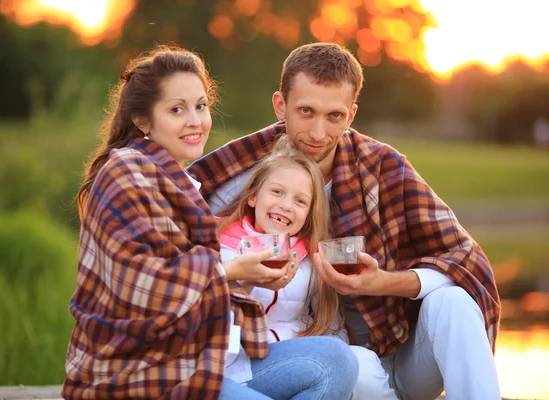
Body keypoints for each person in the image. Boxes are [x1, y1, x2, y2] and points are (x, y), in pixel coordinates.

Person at [189, 42, 502, 400]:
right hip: (330, 362)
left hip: (403, 355)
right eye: (305, 111)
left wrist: (383, 282)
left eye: (334, 116)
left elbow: (465, 259)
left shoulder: (384, 169)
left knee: (454, 300)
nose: (318, 133)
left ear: (351, 115)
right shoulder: (242, 173)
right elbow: (177, 244)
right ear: (281, 106)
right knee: (347, 365)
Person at [63, 45, 358, 400]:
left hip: (196, 359)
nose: (196, 121)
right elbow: (145, 287)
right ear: (142, 120)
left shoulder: (178, 181)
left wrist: (246, 282)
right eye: (177, 109)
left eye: (200, 106)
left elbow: (197, 288)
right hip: (140, 372)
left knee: (336, 360)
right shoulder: (126, 172)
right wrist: (232, 271)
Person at [217, 140, 351, 380]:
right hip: (232, 364)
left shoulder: (311, 259)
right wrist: (244, 282)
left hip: (293, 360)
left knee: (346, 362)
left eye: (300, 201)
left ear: (309, 214)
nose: (286, 205)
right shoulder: (220, 246)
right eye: (277, 192)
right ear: (253, 197)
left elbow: (332, 328)